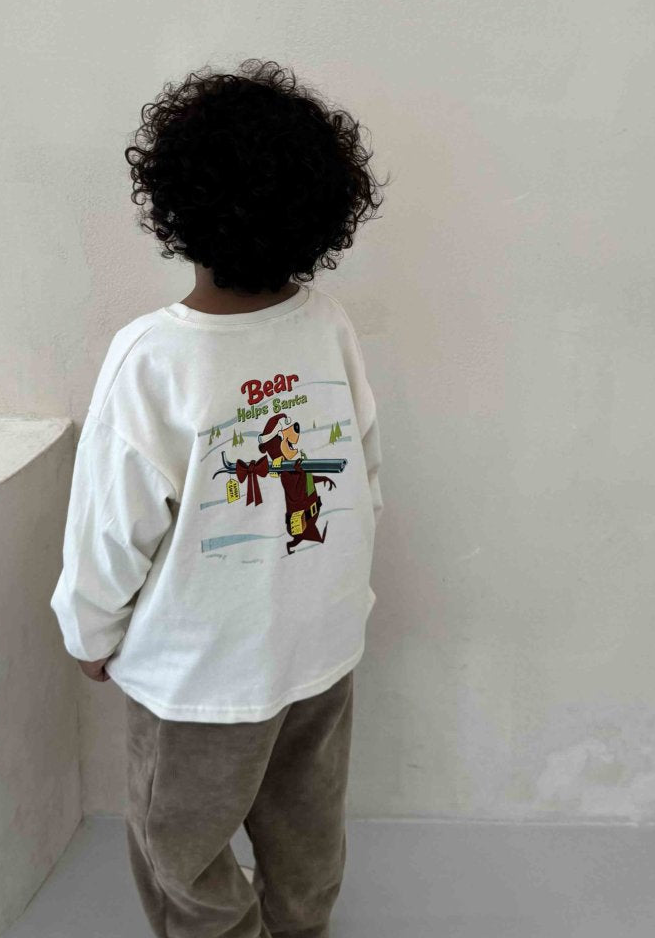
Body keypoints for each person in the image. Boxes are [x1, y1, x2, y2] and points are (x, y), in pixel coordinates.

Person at [50, 58, 389, 938]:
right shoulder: (326, 325)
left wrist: (90, 633)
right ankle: (301, 927)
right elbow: (363, 468)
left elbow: (111, 526)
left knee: (182, 850)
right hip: (319, 645)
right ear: (323, 209)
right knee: (307, 826)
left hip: (199, 678)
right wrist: (340, 589)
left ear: (174, 206)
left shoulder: (154, 358)